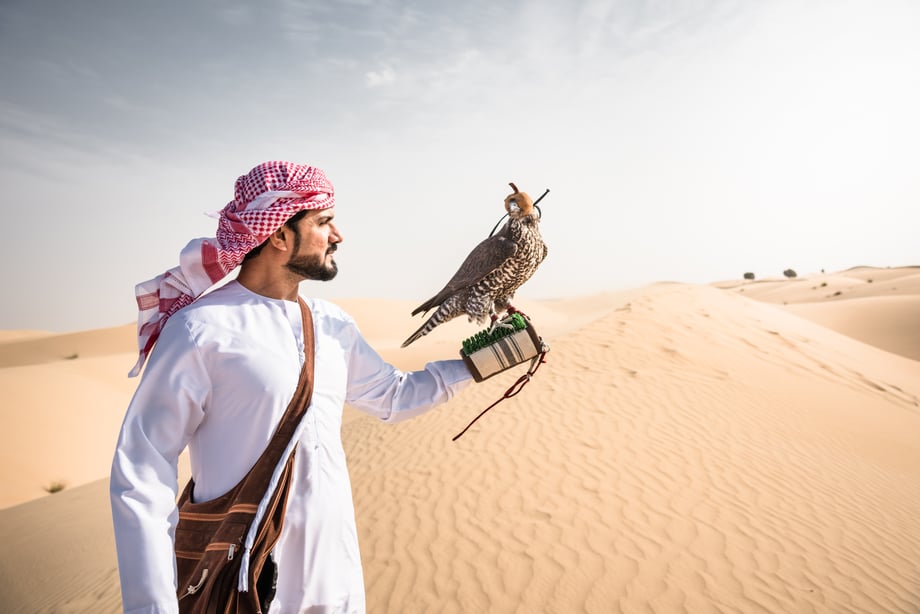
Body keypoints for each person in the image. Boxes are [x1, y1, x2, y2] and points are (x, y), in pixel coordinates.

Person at [110, 161, 474, 613]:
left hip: (334, 584)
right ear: (279, 235)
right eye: (323, 222)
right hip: (246, 586)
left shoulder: (331, 325)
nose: (337, 235)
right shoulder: (201, 329)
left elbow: (394, 397)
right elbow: (141, 473)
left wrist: (477, 364)